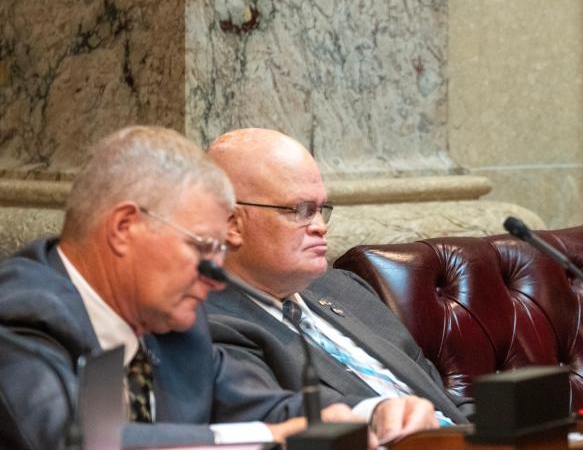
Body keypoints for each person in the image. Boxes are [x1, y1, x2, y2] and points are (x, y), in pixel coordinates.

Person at [0, 125, 359, 450]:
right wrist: (267, 439)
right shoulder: (21, 312)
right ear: (124, 228)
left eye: (219, 249)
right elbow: (68, 441)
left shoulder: (173, 325)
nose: (216, 272)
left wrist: (371, 413)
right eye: (202, 246)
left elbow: (268, 405)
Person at [203, 128, 472, 443]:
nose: (319, 226)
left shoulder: (343, 288)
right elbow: (270, 414)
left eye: (321, 210)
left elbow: (440, 400)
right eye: (300, 210)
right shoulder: (210, 322)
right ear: (232, 223)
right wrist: (373, 412)